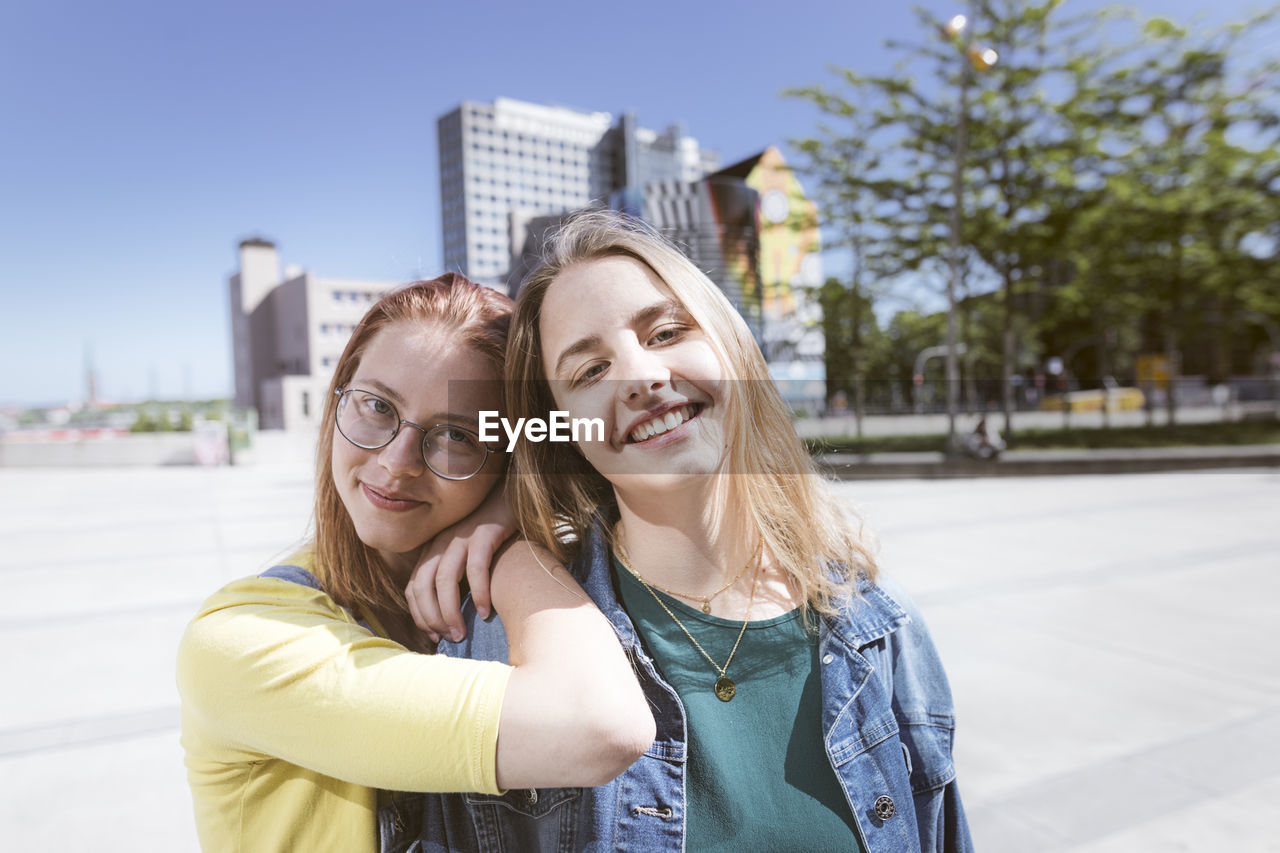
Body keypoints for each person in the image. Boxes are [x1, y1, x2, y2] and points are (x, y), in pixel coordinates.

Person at [407, 212, 972, 852]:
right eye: (589, 372)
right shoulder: (496, 648)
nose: (643, 378)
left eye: (668, 331)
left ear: (729, 345)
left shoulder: (881, 627)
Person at [176, 274, 654, 852]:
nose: (397, 461)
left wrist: (513, 505)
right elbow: (599, 725)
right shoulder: (245, 638)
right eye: (377, 406)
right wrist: (515, 550)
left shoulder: (509, 579)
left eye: (454, 434)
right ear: (338, 398)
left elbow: (604, 446)